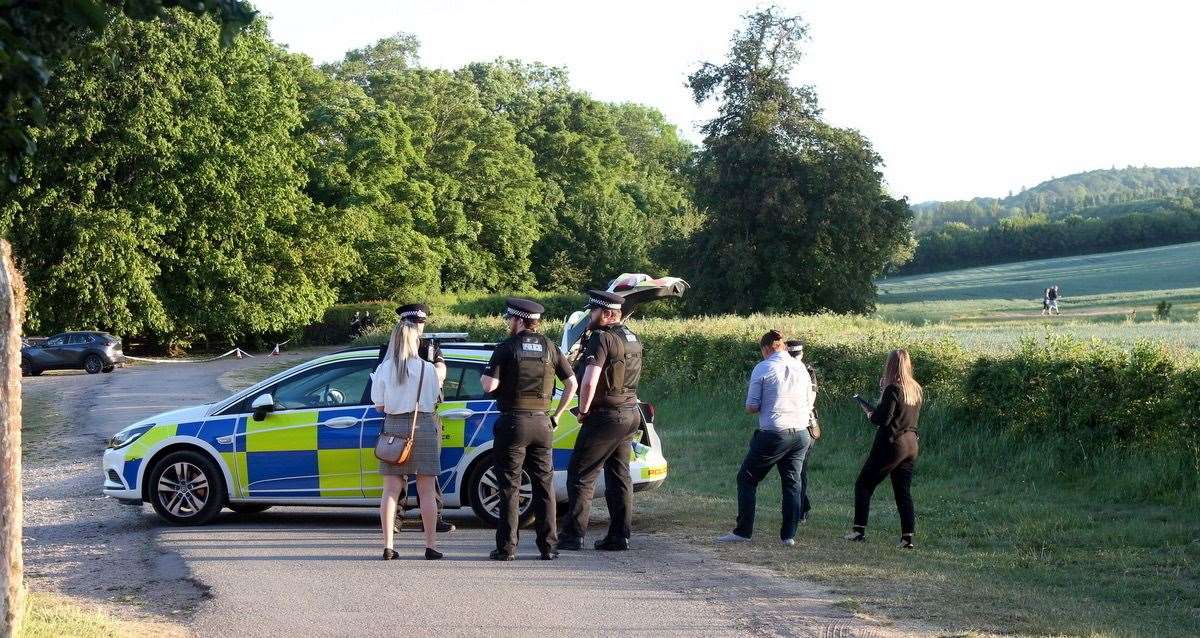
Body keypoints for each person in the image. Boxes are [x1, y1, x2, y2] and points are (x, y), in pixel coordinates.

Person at [480, 299, 578, 561]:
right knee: (544, 485)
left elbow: (489, 386)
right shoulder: (550, 347)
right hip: (543, 423)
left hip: (514, 422)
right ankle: (548, 547)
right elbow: (572, 383)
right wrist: (557, 414)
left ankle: (507, 548)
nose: (509, 324)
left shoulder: (507, 347)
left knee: (510, 487)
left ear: (519, 320)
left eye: (510, 319)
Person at [559, 290, 643, 551]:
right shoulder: (631, 337)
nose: (589, 317)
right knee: (620, 476)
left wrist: (583, 409)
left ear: (606, 314)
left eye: (592, 312)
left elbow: (590, 380)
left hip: (606, 415)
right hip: (629, 413)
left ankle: (572, 536)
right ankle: (619, 536)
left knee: (581, 474)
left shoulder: (602, 338)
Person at [717, 330, 814, 546]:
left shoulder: (763, 368)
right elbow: (809, 399)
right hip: (801, 432)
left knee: (747, 478)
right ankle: (788, 535)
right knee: (792, 483)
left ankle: (743, 531)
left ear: (767, 348)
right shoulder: (801, 367)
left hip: (774, 433)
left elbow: (751, 407)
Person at [372, 319, 445, 560]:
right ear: (416, 342)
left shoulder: (384, 369)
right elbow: (434, 399)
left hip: (393, 428)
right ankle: (431, 546)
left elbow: (379, 406)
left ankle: (388, 545)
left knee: (391, 491)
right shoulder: (428, 369)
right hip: (422, 426)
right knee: (426, 491)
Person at [845, 348, 923, 549]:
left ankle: (858, 530)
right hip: (911, 443)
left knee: (863, 484)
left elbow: (882, 419)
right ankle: (907, 538)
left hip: (892, 443)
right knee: (902, 491)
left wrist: (870, 414)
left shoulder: (893, 389)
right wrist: (883, 393)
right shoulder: (915, 388)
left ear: (890, 365)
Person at [389, 303, 456, 535]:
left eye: (421, 323)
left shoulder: (431, 347)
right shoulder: (391, 349)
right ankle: (396, 517)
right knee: (397, 471)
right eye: (415, 323)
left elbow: (441, 376)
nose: (419, 327)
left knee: (428, 472)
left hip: (427, 413)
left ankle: (433, 517)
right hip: (400, 413)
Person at [787, 339, 818, 523]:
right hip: (801, 423)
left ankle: (799, 509)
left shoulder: (806, 370)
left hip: (801, 422)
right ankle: (800, 506)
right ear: (801, 353)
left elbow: (810, 400)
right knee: (797, 469)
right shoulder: (807, 370)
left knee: (799, 469)